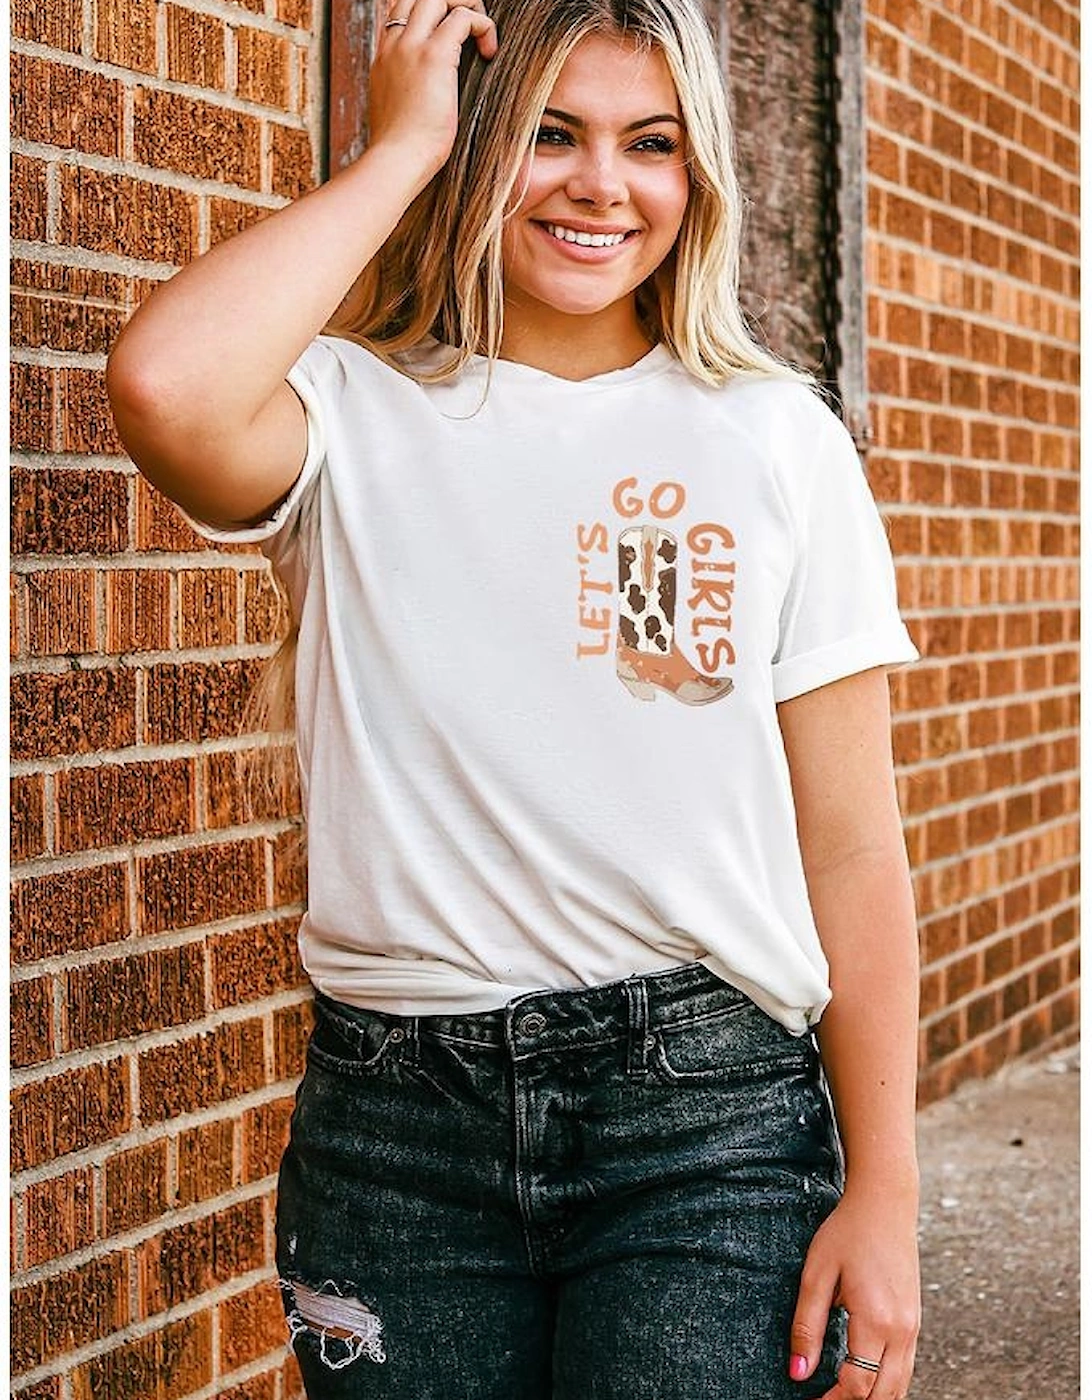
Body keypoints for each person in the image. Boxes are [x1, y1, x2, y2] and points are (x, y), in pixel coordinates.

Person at [106, 1, 922, 1396]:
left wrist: (887, 1194)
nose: (602, 183)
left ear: (699, 175)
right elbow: (164, 384)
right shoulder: (349, 412)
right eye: (550, 134)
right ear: (479, 158)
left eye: (651, 143)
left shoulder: (774, 438)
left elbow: (849, 843)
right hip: (395, 1136)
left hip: (704, 1129)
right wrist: (399, 146)